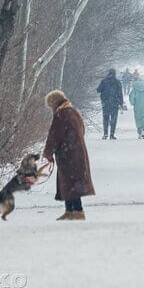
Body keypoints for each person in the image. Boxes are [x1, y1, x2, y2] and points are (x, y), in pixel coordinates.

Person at [42, 90, 95, 220]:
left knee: (71, 182)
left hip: (68, 153)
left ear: (54, 103)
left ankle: (77, 211)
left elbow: (54, 136)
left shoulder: (61, 115)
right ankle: (69, 210)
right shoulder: (73, 112)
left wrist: (48, 153)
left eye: (51, 106)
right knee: (69, 182)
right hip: (77, 152)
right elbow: (82, 130)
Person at [97, 69, 123, 140]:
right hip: (115, 103)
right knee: (113, 119)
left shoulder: (104, 81)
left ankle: (105, 134)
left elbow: (98, 90)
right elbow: (120, 93)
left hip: (105, 103)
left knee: (105, 118)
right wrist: (121, 102)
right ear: (115, 73)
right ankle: (112, 134)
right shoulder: (117, 82)